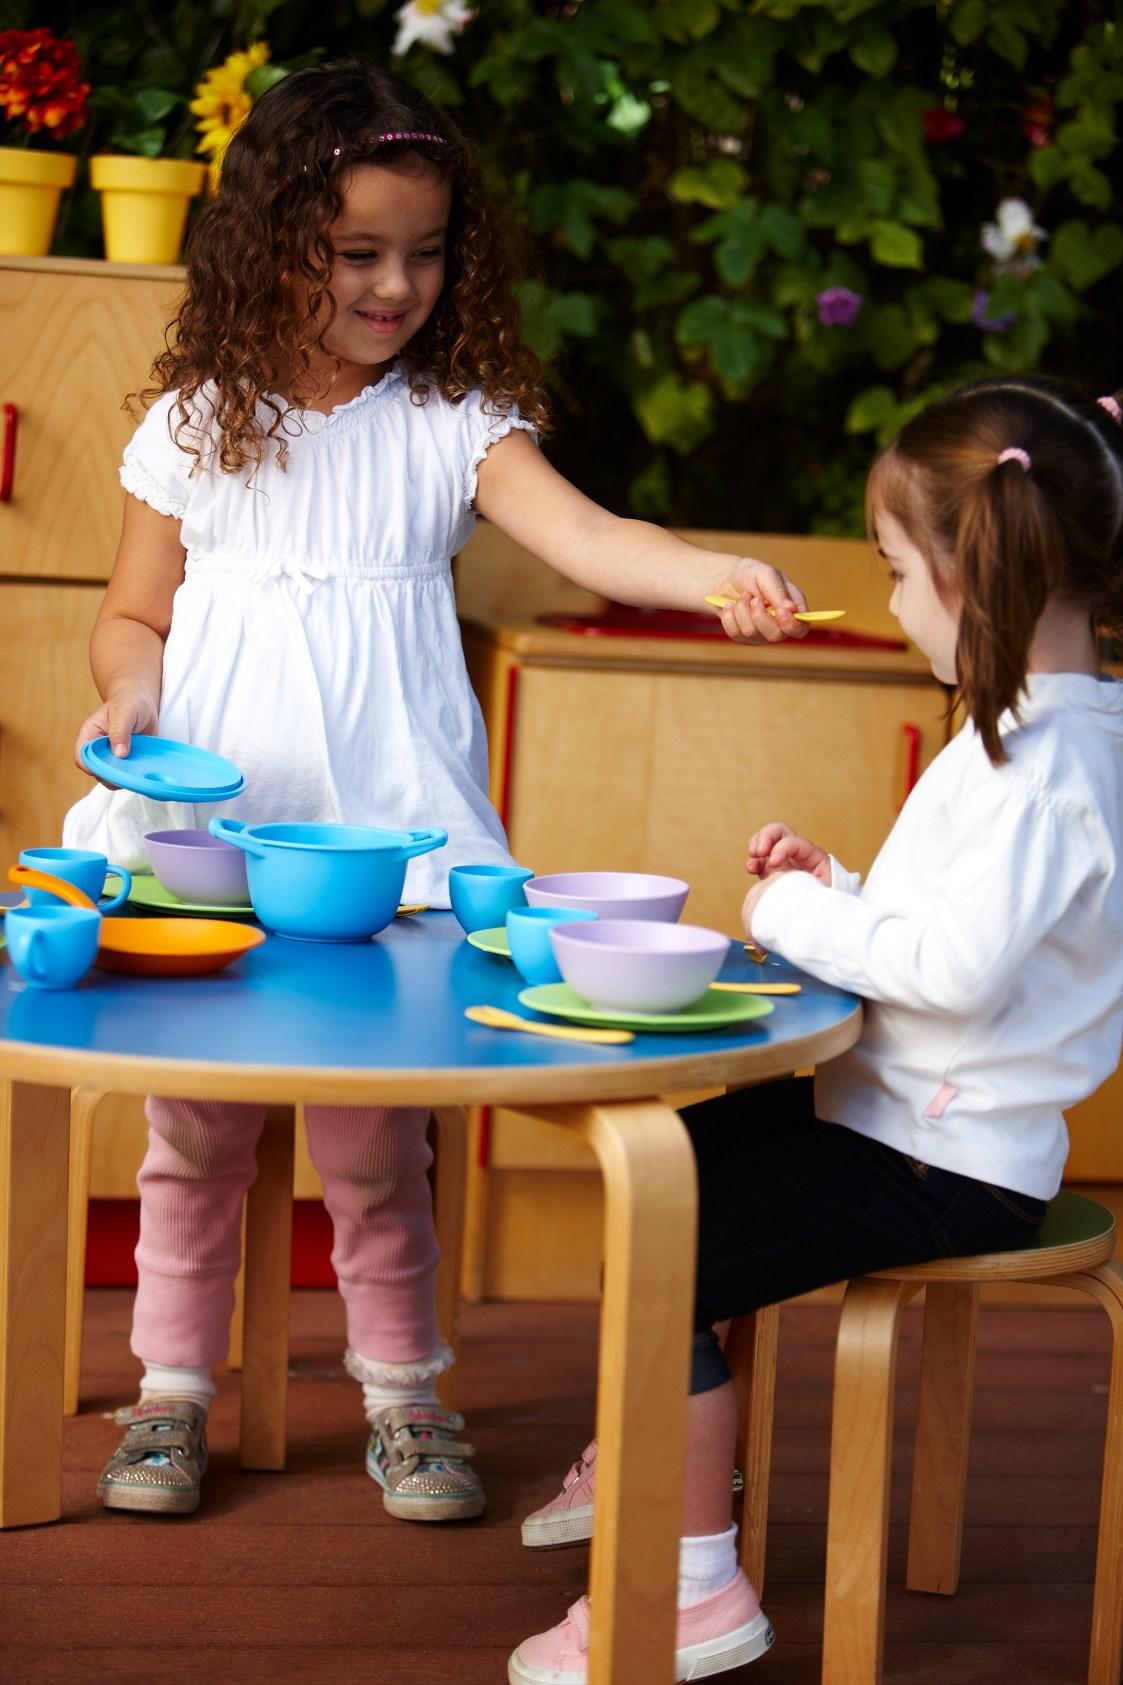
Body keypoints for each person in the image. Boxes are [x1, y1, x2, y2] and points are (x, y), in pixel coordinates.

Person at [64, 59, 810, 1523]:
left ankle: (403, 1393)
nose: (395, 284)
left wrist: (714, 574)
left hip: (393, 850)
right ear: (273, 242)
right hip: (211, 844)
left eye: (424, 252)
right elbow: (132, 612)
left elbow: (595, 538)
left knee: (378, 1137)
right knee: (196, 1134)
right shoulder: (200, 422)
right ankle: (168, 1392)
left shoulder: (454, 418)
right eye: (358, 253)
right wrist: (131, 691)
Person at [510, 375, 1123, 1683]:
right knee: (671, 1165)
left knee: (665, 1251)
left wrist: (793, 913)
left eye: (899, 571)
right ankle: (652, 1439)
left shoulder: (1041, 768)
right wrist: (843, 887)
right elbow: (964, 931)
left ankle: (691, 1590)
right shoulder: (1049, 734)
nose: (892, 600)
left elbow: (952, 973)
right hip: (908, 1112)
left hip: (942, 1159)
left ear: (972, 579)